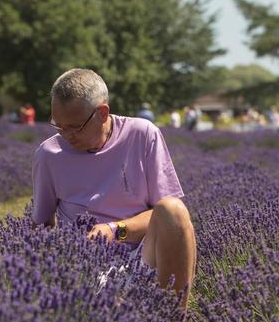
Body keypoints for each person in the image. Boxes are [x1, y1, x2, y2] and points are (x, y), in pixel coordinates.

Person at [32, 68, 196, 308]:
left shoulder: (142, 135)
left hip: (145, 251)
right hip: (86, 262)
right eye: (58, 125)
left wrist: (114, 230)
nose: (66, 135)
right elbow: (41, 226)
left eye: (74, 127)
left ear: (102, 113)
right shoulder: (49, 155)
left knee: (174, 210)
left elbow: (165, 219)